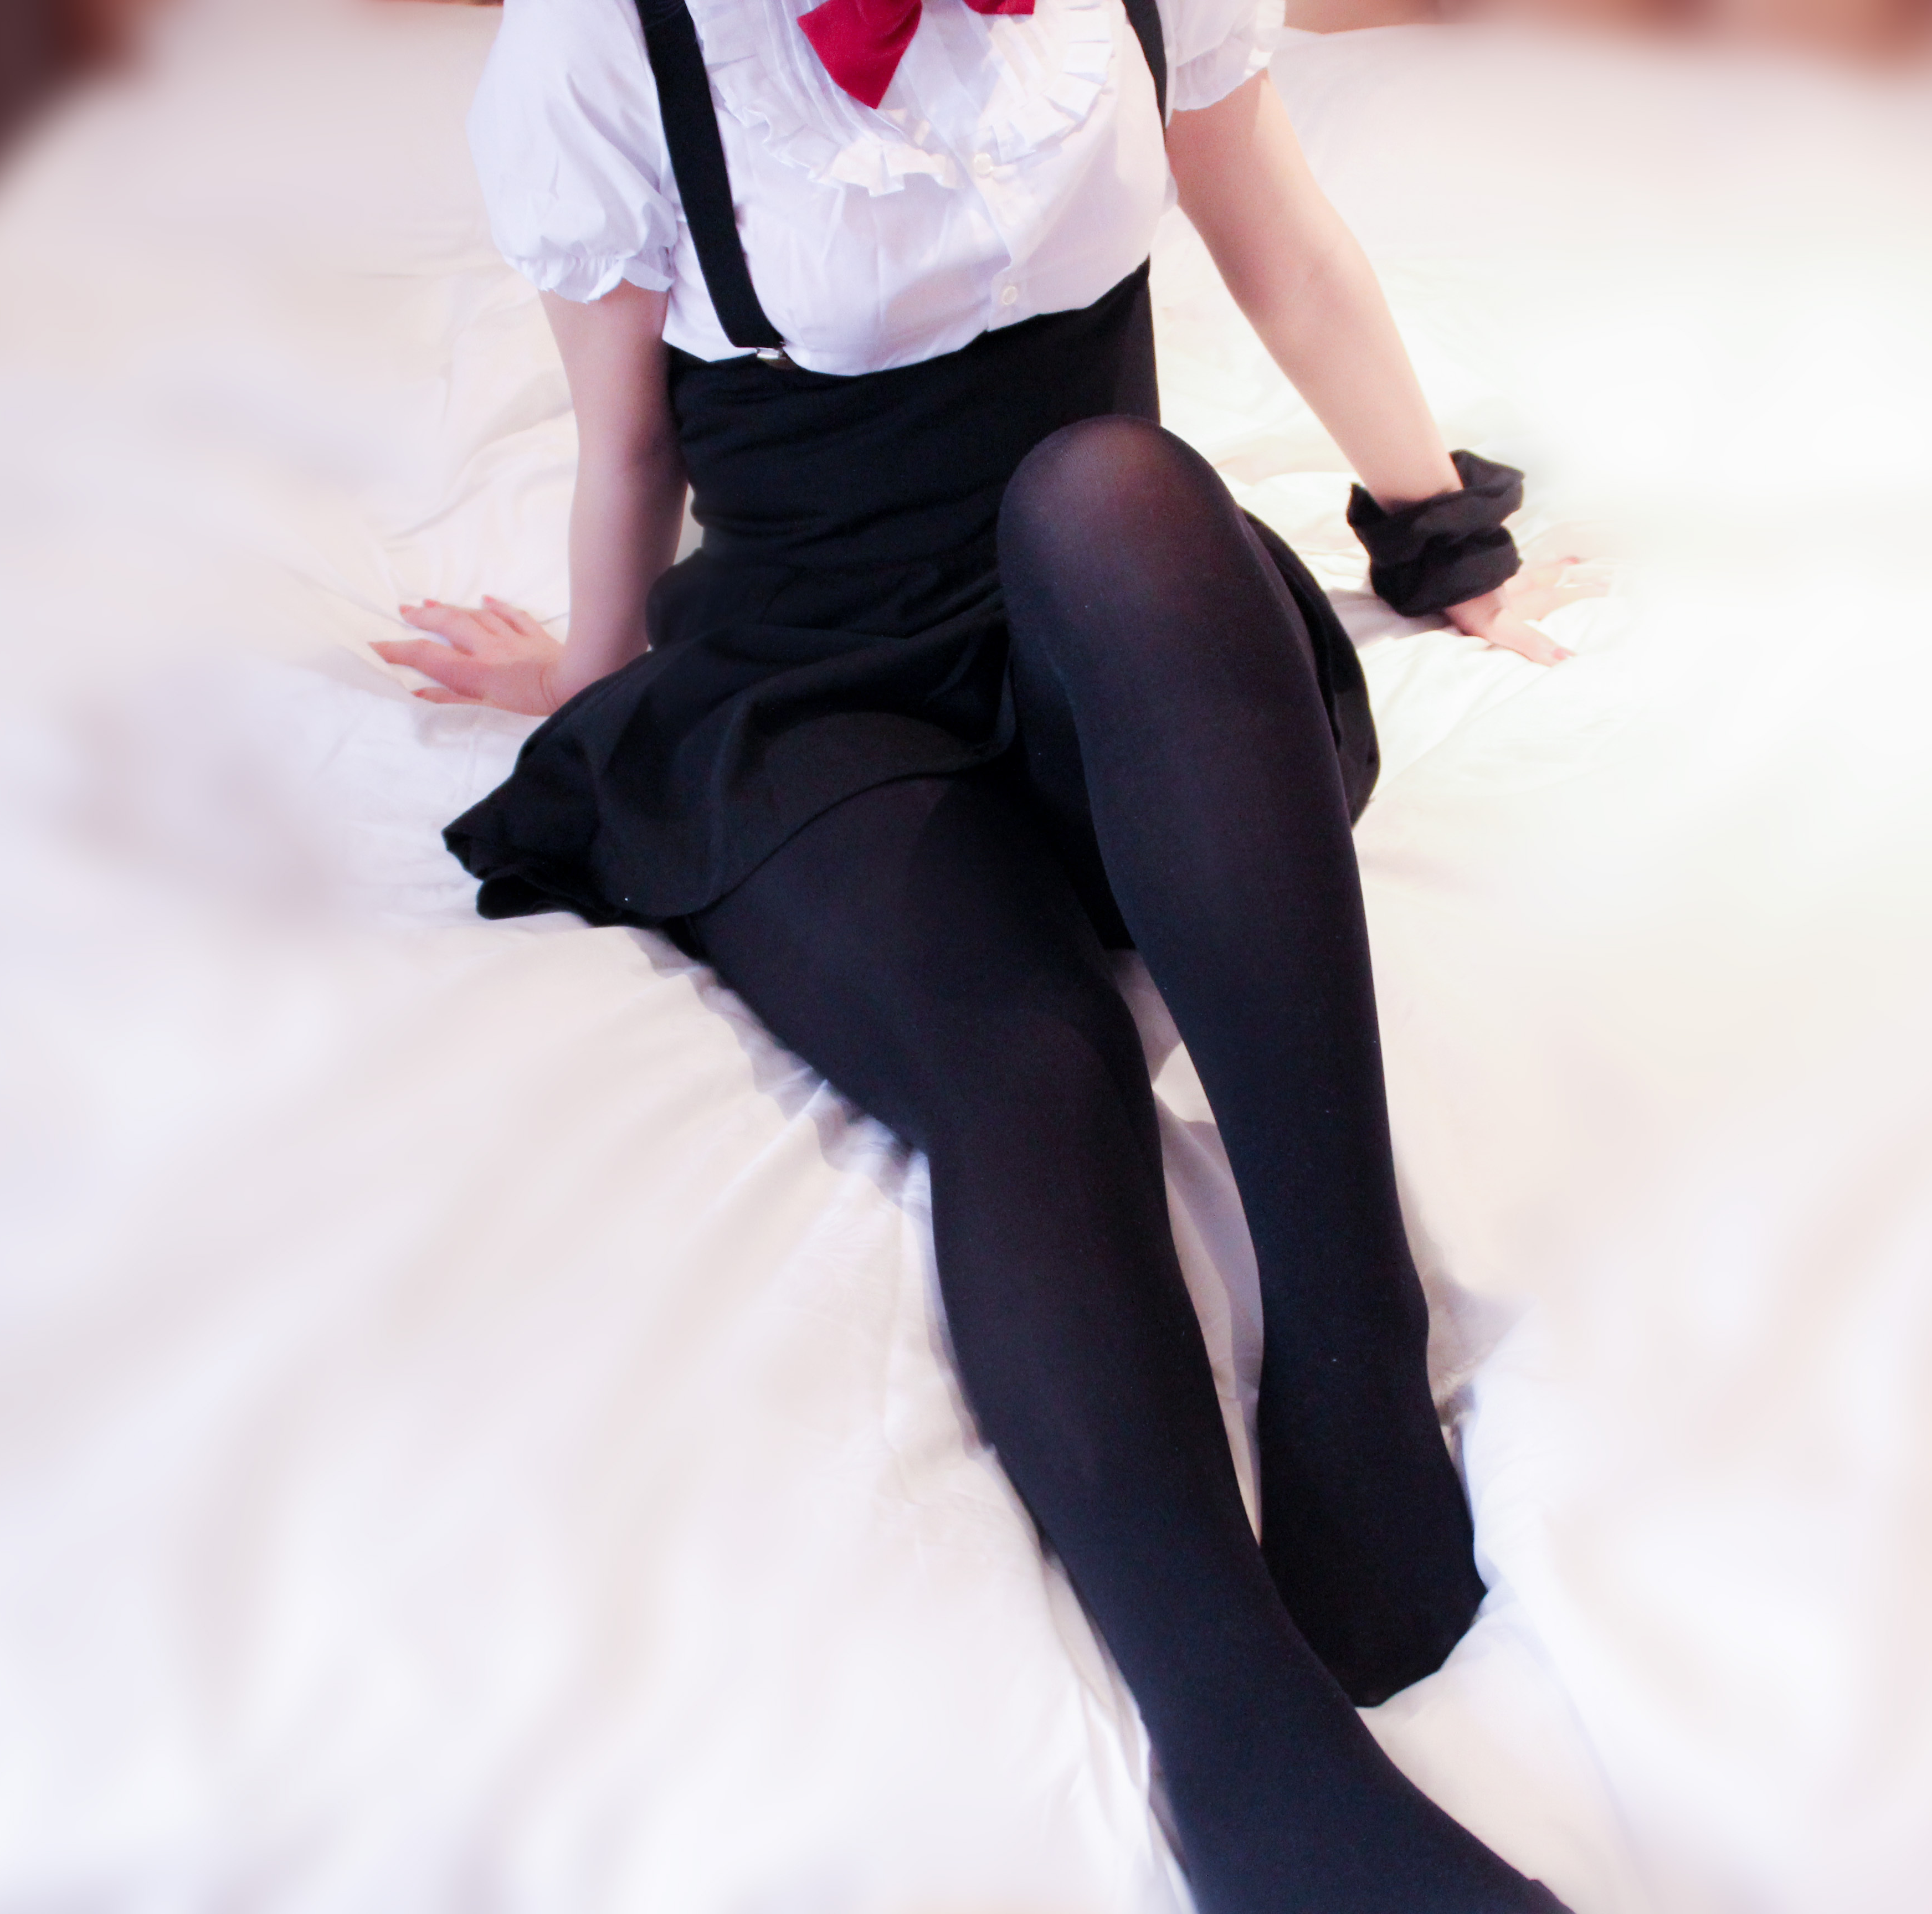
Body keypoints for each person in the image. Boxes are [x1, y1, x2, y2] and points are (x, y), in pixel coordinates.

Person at [373, 0, 1578, 1906]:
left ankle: (1352, 1363)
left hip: (1119, 650)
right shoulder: (607, 43)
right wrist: (598, 712)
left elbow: (1278, 234)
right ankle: (1250, 1763)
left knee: (1117, 487)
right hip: (813, 682)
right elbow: (626, 443)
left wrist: (1441, 538)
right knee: (1034, 1059)